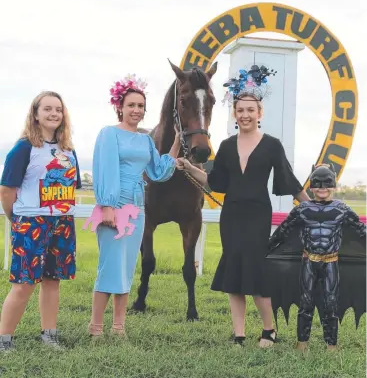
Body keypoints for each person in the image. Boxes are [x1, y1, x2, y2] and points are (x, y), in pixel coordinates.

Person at [177, 65, 309, 348]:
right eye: (240, 110)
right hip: (232, 215)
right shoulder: (224, 146)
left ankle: (268, 330)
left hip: (258, 215)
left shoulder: (272, 145)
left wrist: (312, 207)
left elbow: (289, 180)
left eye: (251, 110)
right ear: (235, 114)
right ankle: (238, 334)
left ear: (259, 113)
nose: (245, 115)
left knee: (257, 270)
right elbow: (215, 182)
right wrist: (189, 167)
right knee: (234, 271)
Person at [86, 74, 180, 338]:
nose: (136, 110)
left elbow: (159, 172)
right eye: (131, 105)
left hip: (137, 209)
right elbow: (104, 169)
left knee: (127, 266)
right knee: (109, 265)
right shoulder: (108, 134)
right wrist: (106, 206)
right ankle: (95, 326)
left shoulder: (145, 140)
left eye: (141, 106)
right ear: (120, 107)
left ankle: (119, 327)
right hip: (114, 207)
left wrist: (175, 144)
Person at [0, 91, 81, 352]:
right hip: (31, 222)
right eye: (47, 109)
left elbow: (70, 186)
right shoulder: (24, 147)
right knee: (24, 284)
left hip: (62, 221)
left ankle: (49, 335)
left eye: (58, 109)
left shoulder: (68, 150)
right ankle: (4, 339)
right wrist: (17, 219)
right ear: (35, 114)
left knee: (52, 280)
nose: (54, 113)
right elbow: (6, 190)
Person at [268, 164, 366, 352]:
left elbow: (361, 231)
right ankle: (302, 343)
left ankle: (332, 345)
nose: (322, 188)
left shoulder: (342, 209)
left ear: (334, 186)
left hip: (331, 261)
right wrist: (266, 247)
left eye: (327, 183)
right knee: (305, 302)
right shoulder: (302, 209)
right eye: (318, 183)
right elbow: (283, 231)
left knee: (331, 303)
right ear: (311, 187)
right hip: (308, 261)